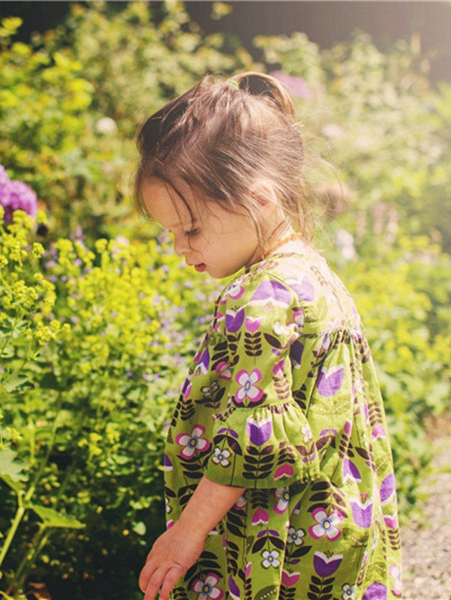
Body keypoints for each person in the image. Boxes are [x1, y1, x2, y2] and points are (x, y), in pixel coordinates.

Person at [134, 72, 402, 600]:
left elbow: (254, 440)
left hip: (281, 545)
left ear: (257, 198)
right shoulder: (316, 275)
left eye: (190, 229)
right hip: (336, 526)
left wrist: (186, 534)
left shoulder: (262, 297)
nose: (179, 249)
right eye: (169, 233)